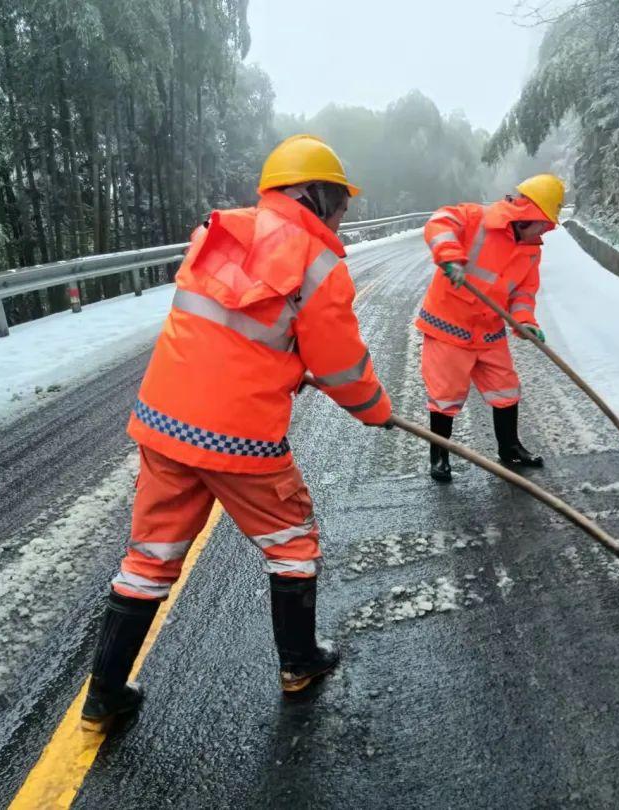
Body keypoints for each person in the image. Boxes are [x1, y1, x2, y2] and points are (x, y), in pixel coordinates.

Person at [82, 135, 392, 731]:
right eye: (340, 202)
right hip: (237, 439)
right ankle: (299, 664)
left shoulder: (219, 233)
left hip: (164, 423)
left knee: (150, 556)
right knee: (293, 541)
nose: (343, 215)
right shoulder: (317, 262)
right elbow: (342, 367)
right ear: (318, 195)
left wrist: (289, 362)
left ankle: (104, 695)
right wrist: (375, 410)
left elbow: (236, 331)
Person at [416, 174, 565, 482]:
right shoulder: (476, 218)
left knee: (507, 389)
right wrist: (450, 258)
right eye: (545, 222)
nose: (547, 230)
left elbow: (524, 293)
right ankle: (440, 457)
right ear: (529, 216)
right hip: (449, 327)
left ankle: (509, 447)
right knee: (445, 396)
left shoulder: (531, 249)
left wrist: (525, 322)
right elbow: (438, 222)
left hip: (489, 332)